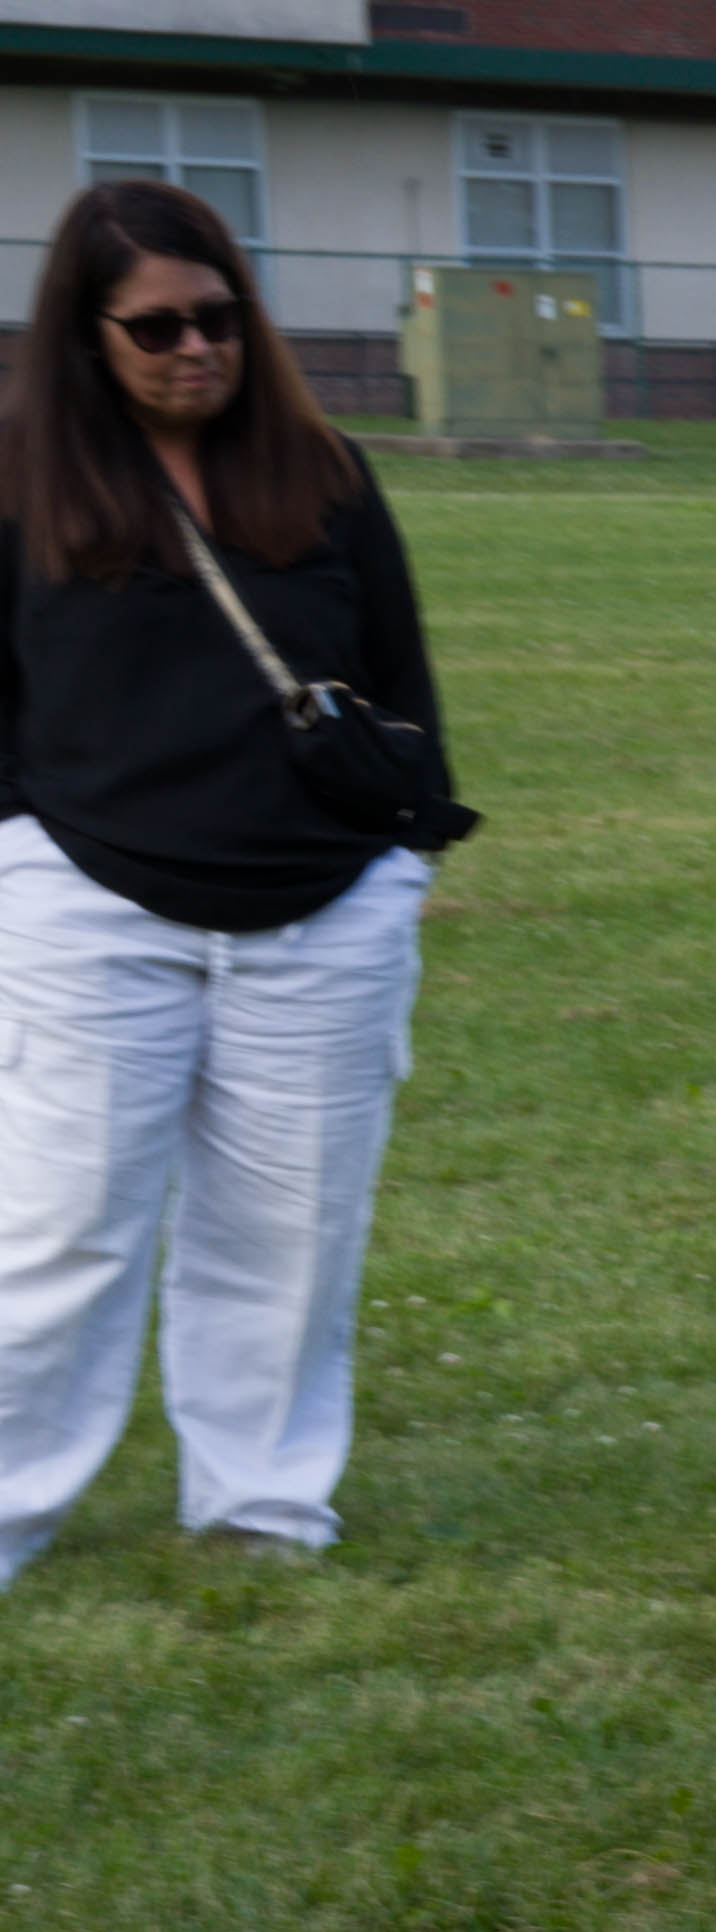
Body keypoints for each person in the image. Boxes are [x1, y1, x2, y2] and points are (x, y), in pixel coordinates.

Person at [0, 183, 469, 1590]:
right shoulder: (23, 483)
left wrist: (399, 866)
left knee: (294, 1240)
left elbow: (401, 684)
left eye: (218, 318)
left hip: (324, 913)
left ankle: (263, 1514)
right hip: (94, 908)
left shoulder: (322, 473)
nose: (194, 348)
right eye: (155, 327)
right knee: (64, 1236)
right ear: (88, 339)